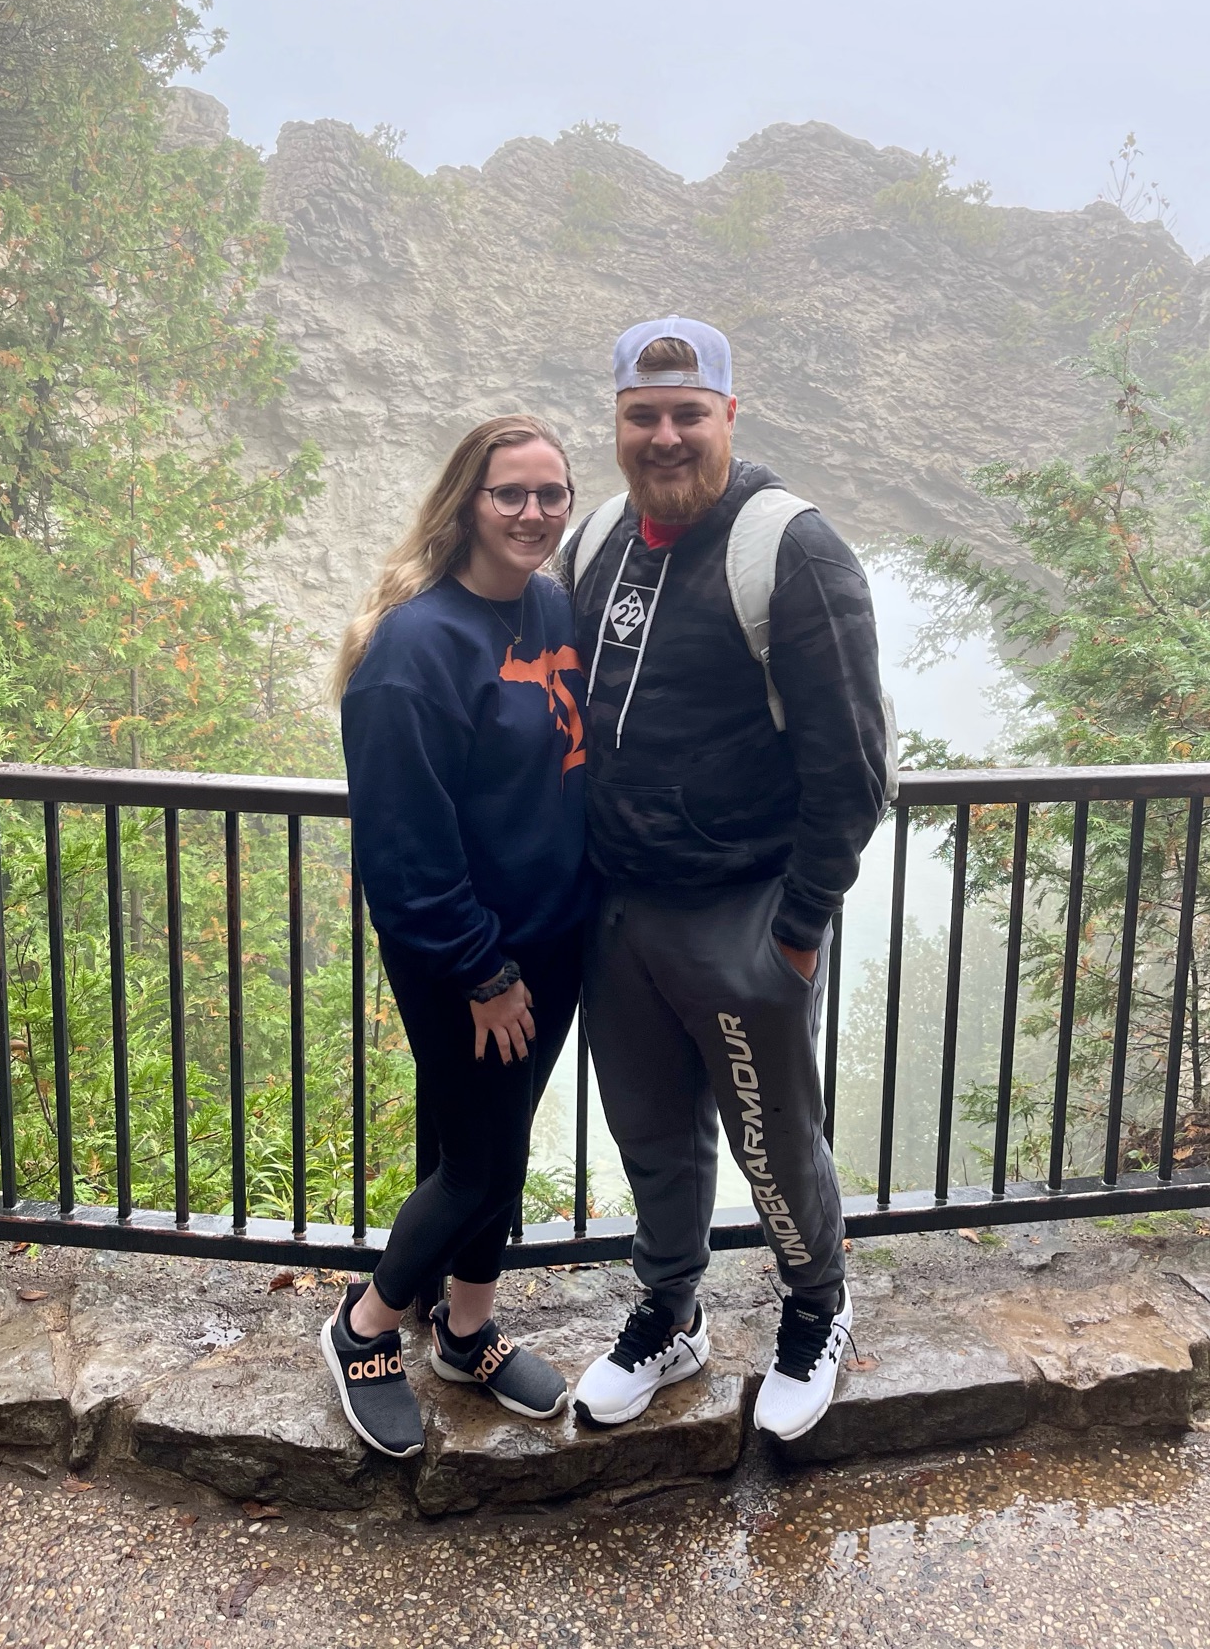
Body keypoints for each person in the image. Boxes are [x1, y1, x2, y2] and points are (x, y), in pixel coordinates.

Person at [564, 317, 888, 1442]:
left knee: (772, 1137)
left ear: (729, 416)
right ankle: (670, 1313)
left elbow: (852, 767)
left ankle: (816, 1307)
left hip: (744, 909)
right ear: (616, 423)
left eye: (688, 414)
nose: (665, 436)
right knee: (650, 1133)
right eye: (642, 415)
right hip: (621, 910)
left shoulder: (789, 548)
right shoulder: (597, 540)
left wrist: (798, 926)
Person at [322, 415, 591, 1457]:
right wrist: (482, 969)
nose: (533, 512)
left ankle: (466, 1330)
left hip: (552, 937)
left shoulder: (550, 605)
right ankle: (365, 1327)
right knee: (478, 1163)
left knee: (488, 1142)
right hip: (468, 956)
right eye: (509, 493)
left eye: (551, 494)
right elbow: (403, 843)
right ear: (466, 502)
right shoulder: (415, 647)